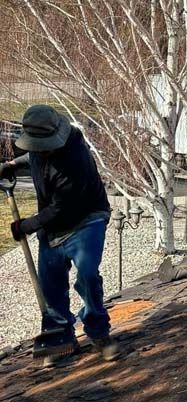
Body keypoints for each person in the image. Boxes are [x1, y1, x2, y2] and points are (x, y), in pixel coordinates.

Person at [0, 105, 118, 359]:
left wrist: (26, 226)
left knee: (87, 274)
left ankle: (98, 331)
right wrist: (12, 164)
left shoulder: (75, 161)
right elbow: (34, 158)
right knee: (50, 282)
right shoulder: (42, 147)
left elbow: (60, 209)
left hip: (86, 219)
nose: (42, 150)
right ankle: (60, 335)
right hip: (53, 226)